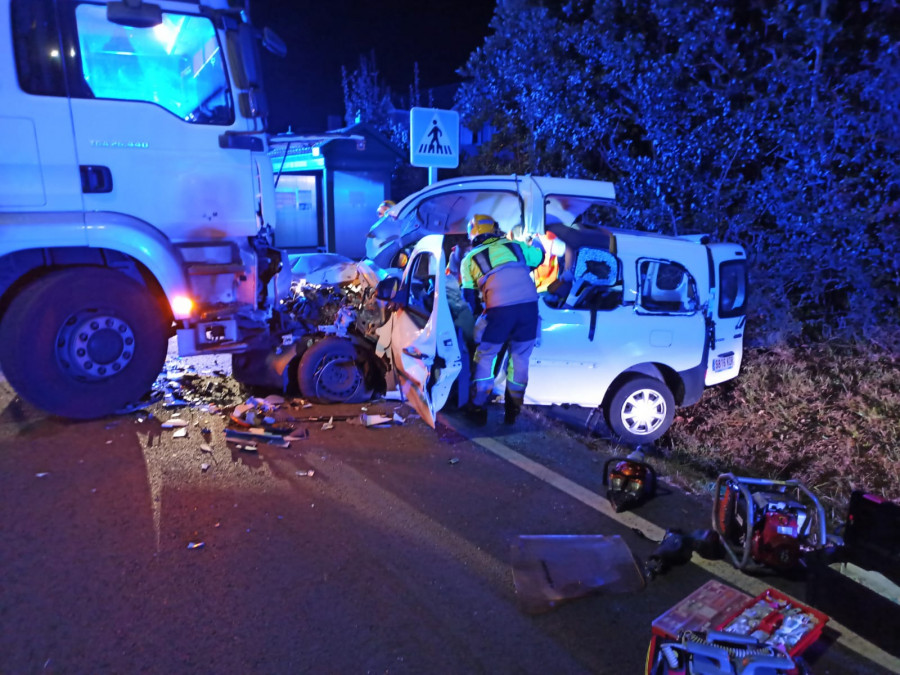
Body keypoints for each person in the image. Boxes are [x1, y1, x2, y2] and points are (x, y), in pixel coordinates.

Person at [460, 214, 543, 425]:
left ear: (473, 234)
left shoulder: (469, 259)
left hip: (499, 312)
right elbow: (539, 257)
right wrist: (537, 240)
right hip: (528, 309)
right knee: (520, 359)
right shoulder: (516, 247)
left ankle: (477, 408)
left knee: (486, 356)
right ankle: (512, 411)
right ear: (495, 229)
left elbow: (468, 299)